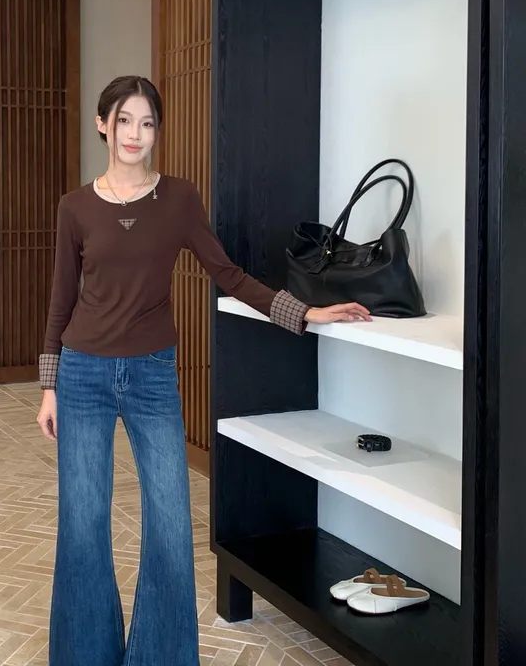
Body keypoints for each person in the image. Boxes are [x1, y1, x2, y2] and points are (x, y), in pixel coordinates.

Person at [36, 75, 371, 666]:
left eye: (147, 123)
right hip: (83, 375)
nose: (135, 133)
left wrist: (304, 313)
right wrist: (49, 387)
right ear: (102, 125)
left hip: (152, 377)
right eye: (124, 120)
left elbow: (229, 275)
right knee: (83, 527)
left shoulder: (179, 200)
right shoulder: (75, 207)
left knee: (170, 523)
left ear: (156, 132)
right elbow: (62, 300)